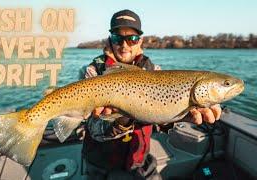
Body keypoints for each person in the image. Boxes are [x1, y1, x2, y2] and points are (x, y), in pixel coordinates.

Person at [81, 9, 222, 180]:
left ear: (140, 41)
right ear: (110, 40)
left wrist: (177, 117)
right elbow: (93, 129)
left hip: (140, 161)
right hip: (100, 164)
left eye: (131, 38)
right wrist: (123, 118)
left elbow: (160, 118)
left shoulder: (155, 72)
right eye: (118, 38)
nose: (124, 45)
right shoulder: (92, 72)